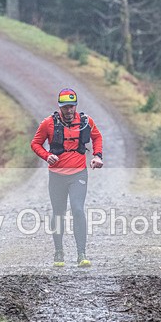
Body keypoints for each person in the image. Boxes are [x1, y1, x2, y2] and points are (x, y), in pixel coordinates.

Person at [31, 88, 104, 267]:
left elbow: (97, 137)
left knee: (78, 209)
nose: (69, 111)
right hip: (56, 176)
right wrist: (47, 156)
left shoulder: (86, 121)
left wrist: (98, 156)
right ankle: (59, 253)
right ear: (60, 107)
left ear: (76, 106)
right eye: (65, 107)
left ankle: (82, 254)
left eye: (72, 107)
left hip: (78, 173)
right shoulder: (48, 123)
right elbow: (35, 143)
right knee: (58, 213)